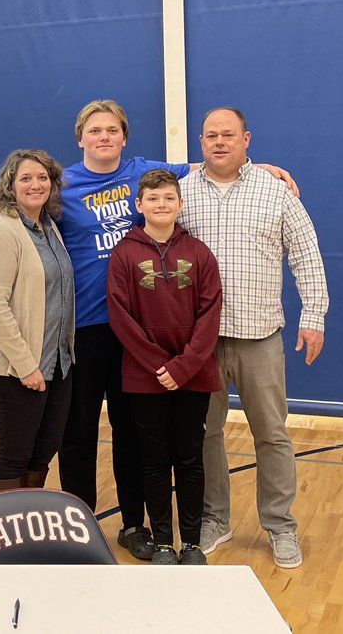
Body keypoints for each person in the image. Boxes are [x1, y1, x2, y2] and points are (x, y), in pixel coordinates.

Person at [55, 98, 295, 561]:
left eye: (112, 130)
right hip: (85, 326)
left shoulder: (144, 171)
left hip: (139, 334)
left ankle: (134, 525)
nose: (104, 137)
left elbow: (207, 162)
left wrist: (257, 165)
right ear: (80, 137)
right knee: (79, 433)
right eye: (95, 130)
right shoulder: (62, 185)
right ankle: (78, 526)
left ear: (124, 138)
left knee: (131, 434)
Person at [178, 107, 328, 569]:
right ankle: (214, 520)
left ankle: (281, 526)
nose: (219, 142)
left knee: (272, 434)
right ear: (200, 142)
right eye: (210, 136)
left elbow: (306, 254)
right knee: (205, 434)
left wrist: (314, 315)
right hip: (199, 341)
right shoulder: (180, 193)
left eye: (228, 135)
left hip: (259, 335)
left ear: (247, 139)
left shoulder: (276, 192)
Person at [106, 169, 222, 566]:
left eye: (169, 198)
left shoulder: (200, 252)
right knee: (152, 461)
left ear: (180, 204)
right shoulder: (124, 253)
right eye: (153, 199)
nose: (161, 205)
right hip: (145, 377)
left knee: (189, 458)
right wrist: (160, 366)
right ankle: (161, 542)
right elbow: (121, 317)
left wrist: (185, 366)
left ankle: (191, 543)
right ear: (139, 206)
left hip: (194, 374)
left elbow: (210, 314)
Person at [0, 149, 75, 492]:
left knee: (42, 453)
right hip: (10, 368)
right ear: (10, 187)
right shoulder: (1, 232)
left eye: (42, 177)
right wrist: (26, 365)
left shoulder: (49, 229)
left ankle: (28, 526)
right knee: (15, 454)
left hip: (55, 363)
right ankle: (7, 535)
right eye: (26, 178)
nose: (35, 184)